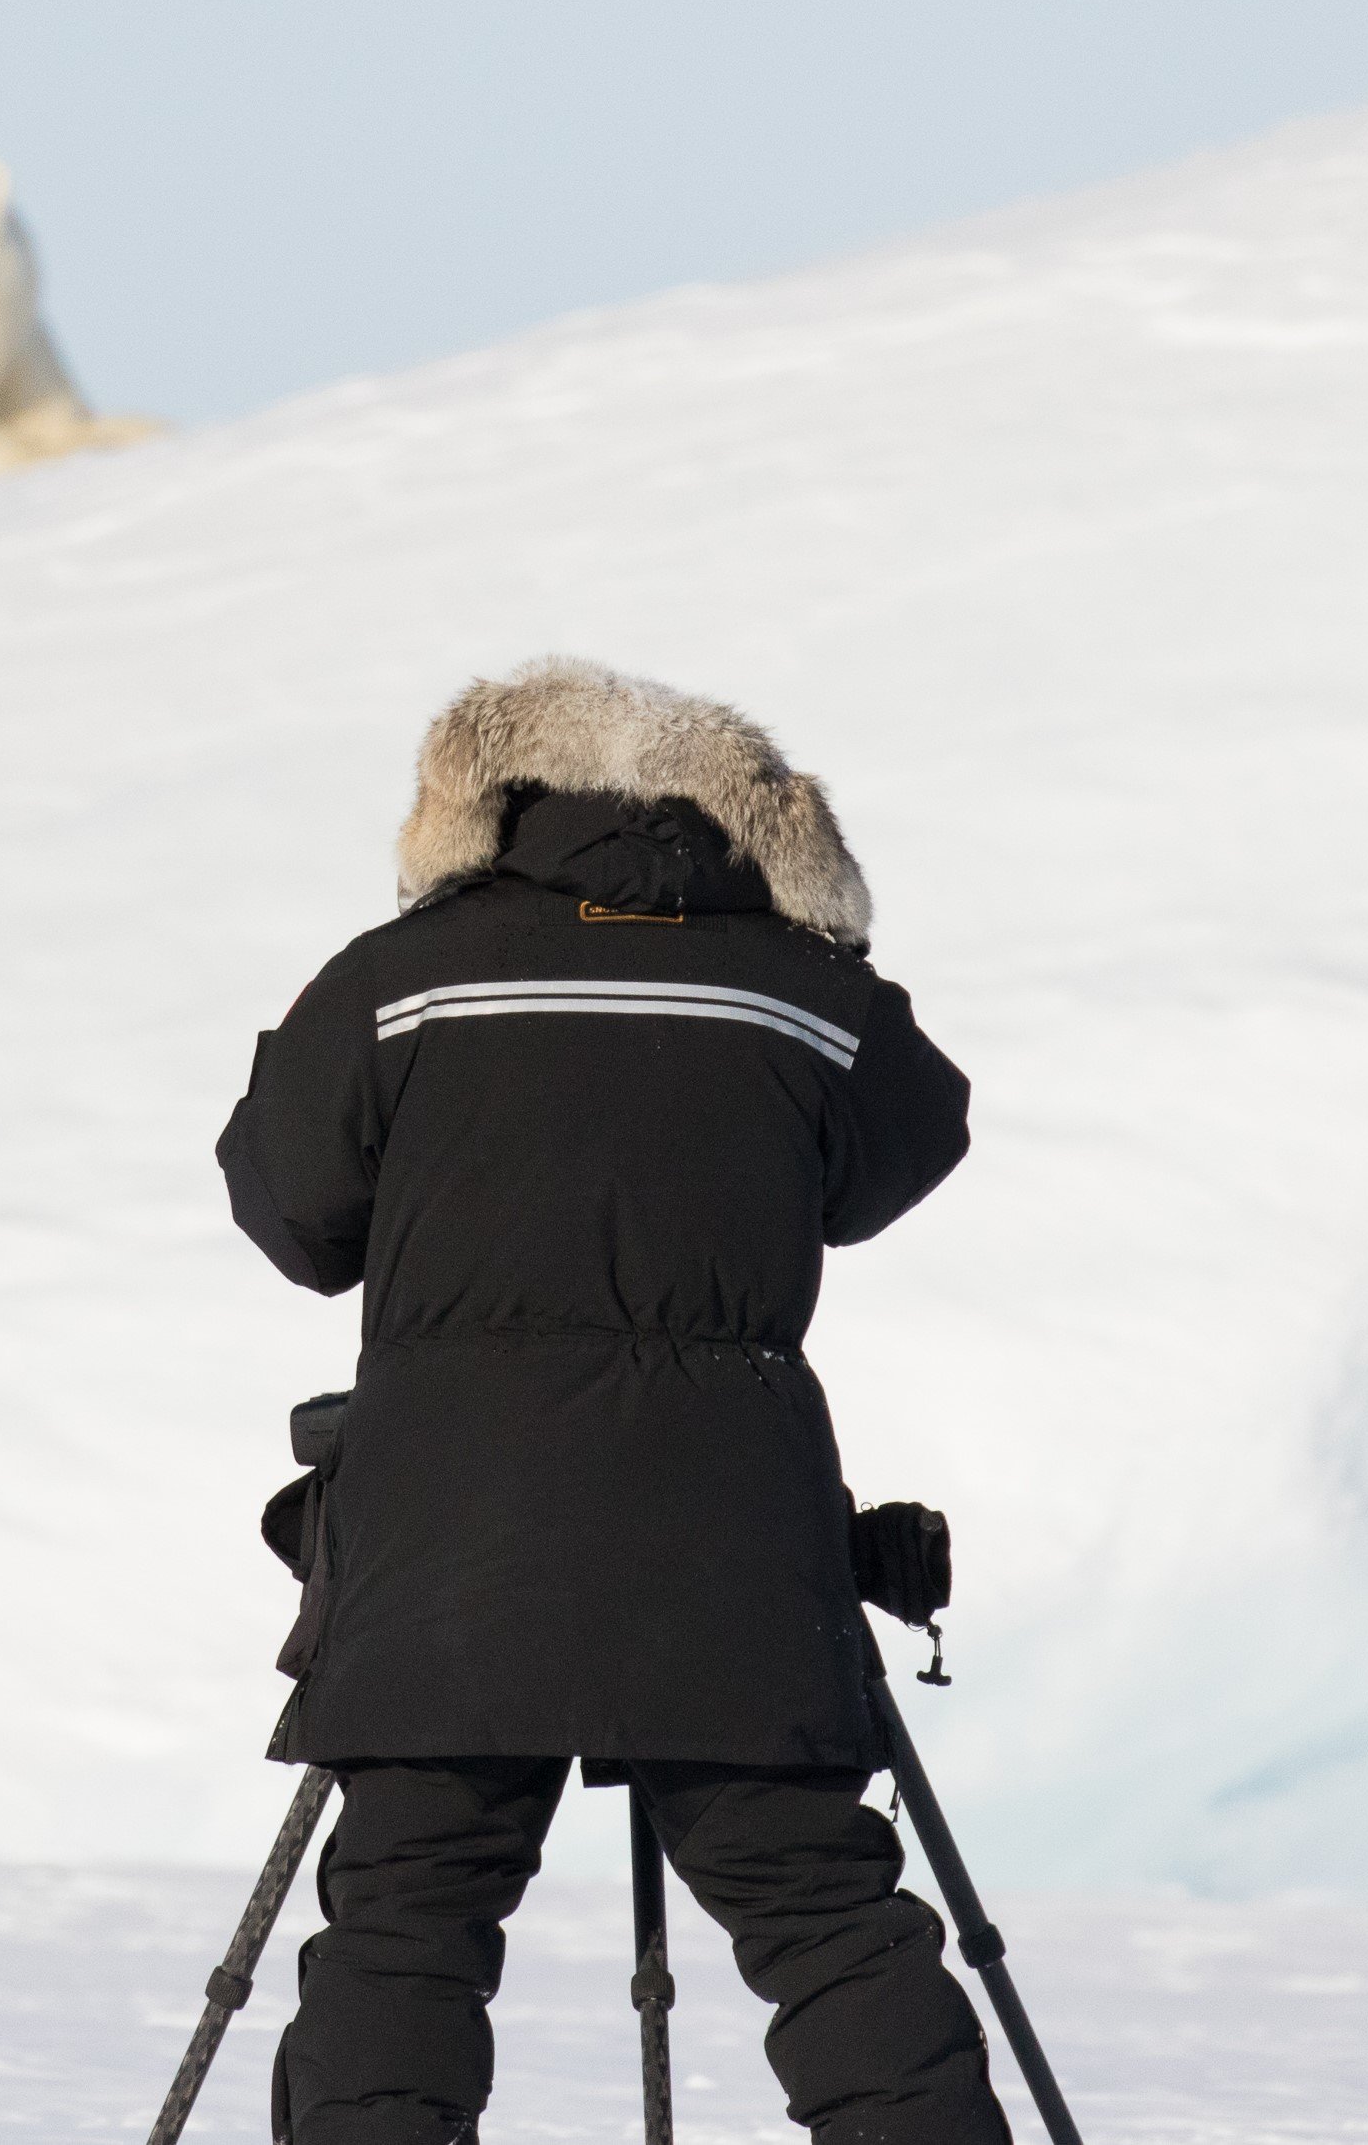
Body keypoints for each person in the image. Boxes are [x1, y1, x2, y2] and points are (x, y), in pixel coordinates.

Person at [216, 655, 997, 2145]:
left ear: (489, 802)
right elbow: (911, 1145)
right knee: (824, 1915)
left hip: (451, 1539)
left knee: (408, 1918)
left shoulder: (400, 980)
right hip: (729, 1540)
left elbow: (287, 1209)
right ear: (750, 827)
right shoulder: (804, 998)